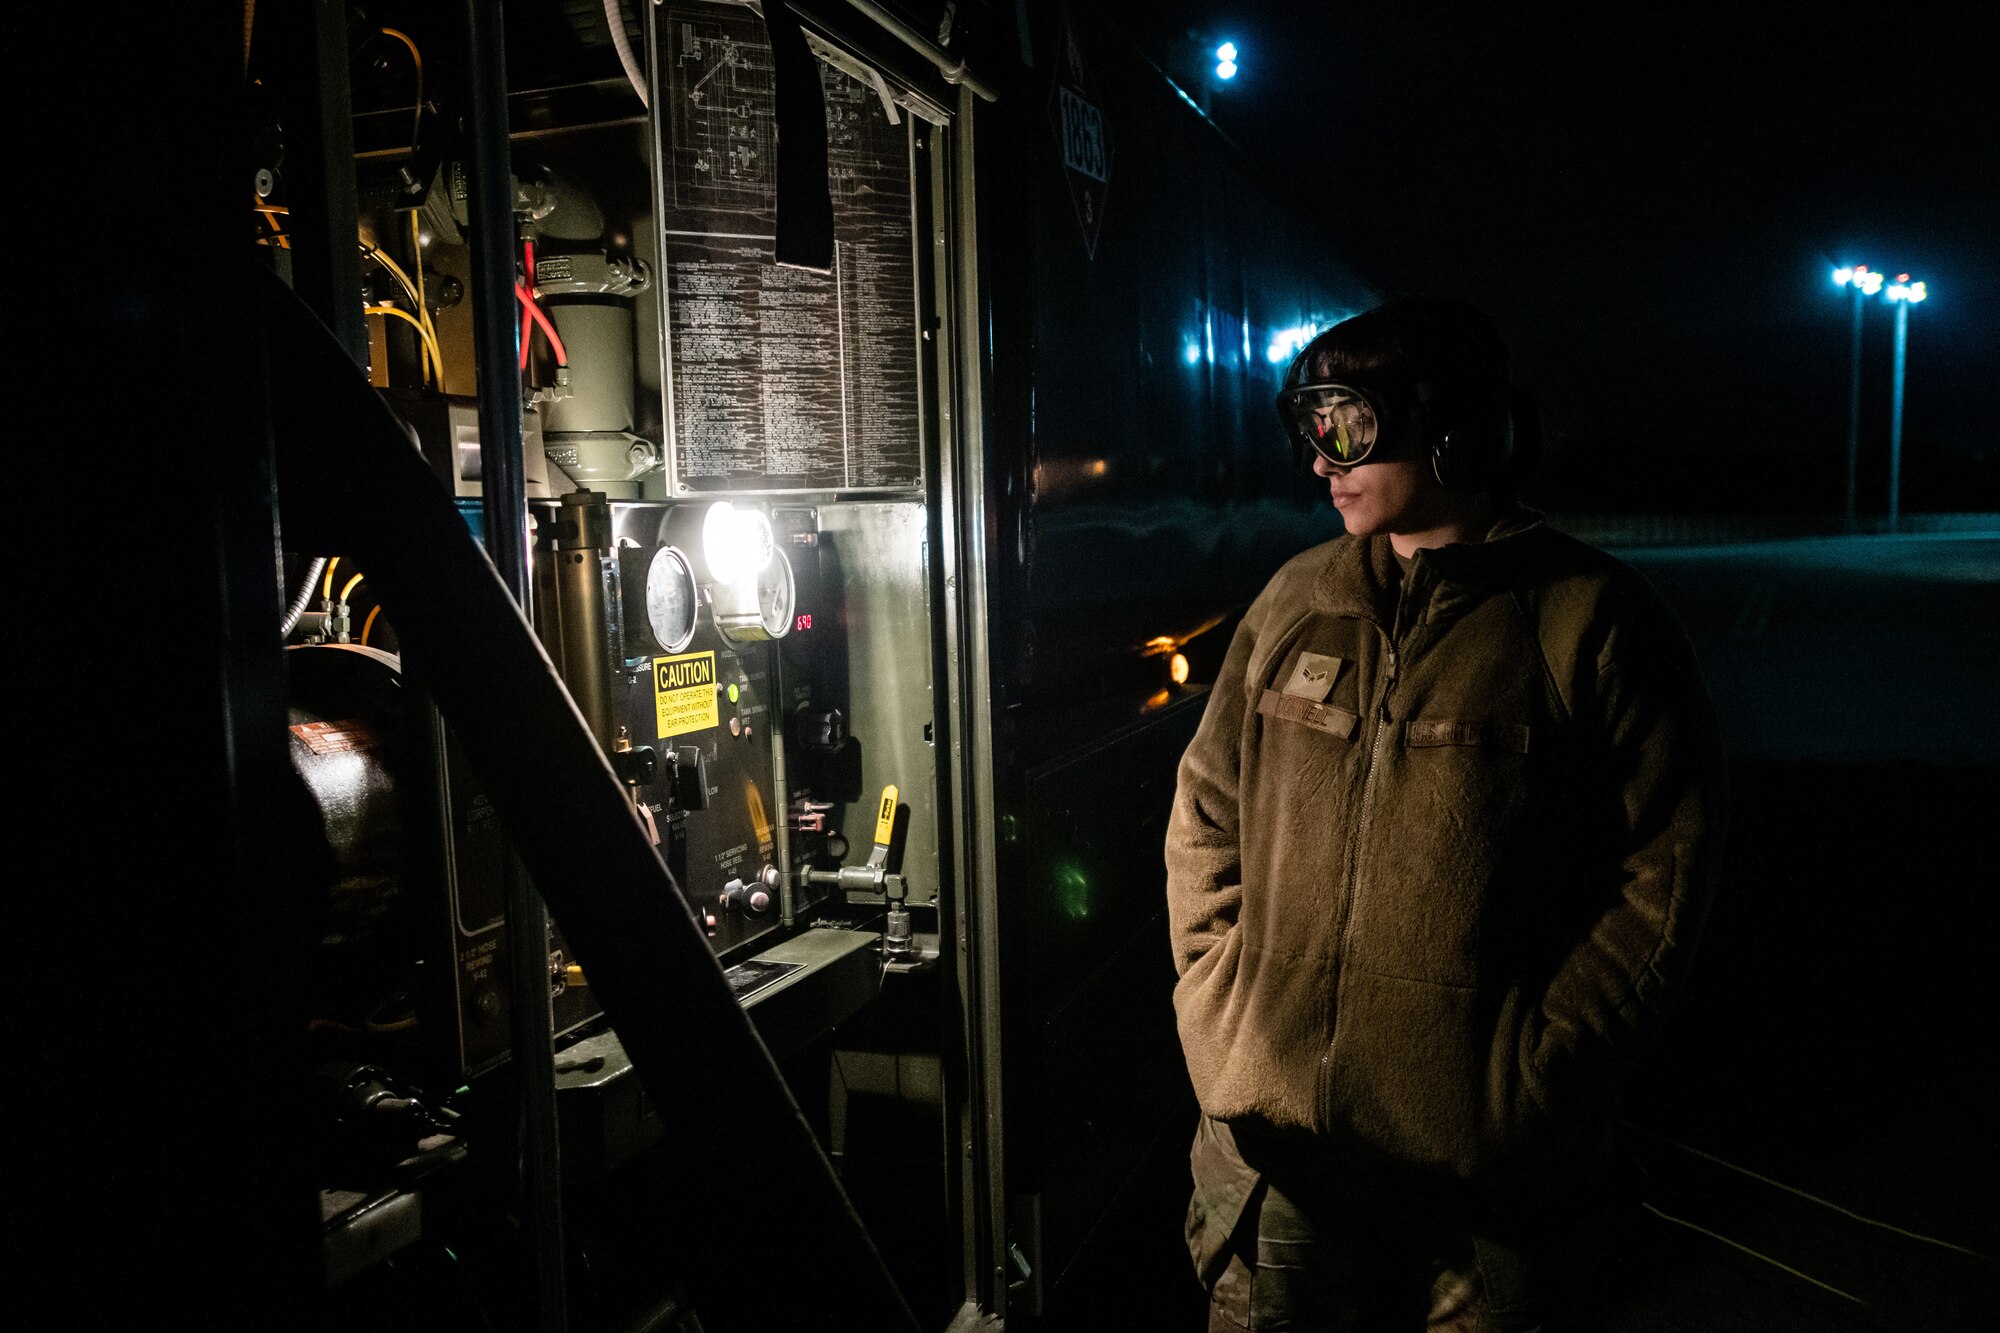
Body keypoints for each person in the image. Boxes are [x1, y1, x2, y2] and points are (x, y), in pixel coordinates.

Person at [1166, 297, 1728, 1331]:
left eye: (1346, 426)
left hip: (1488, 1190)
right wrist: (1217, 1010)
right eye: (1308, 429)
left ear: (1449, 427)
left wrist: (1536, 1073)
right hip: (1279, 1159)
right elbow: (1204, 809)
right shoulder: (1293, 600)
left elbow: (1663, 874)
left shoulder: (1587, 621)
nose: (1320, 461)